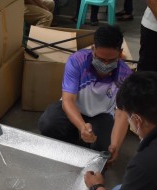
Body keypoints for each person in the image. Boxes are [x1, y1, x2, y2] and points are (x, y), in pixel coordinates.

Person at [39, 25, 132, 162]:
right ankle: (75, 142)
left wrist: (115, 146)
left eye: (111, 60)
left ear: (120, 53)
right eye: (100, 59)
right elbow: (68, 100)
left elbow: (122, 113)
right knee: (48, 123)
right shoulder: (77, 61)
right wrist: (82, 126)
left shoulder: (125, 75)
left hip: (102, 115)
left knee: (105, 151)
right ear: (93, 49)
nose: (105, 64)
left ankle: (84, 143)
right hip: (75, 108)